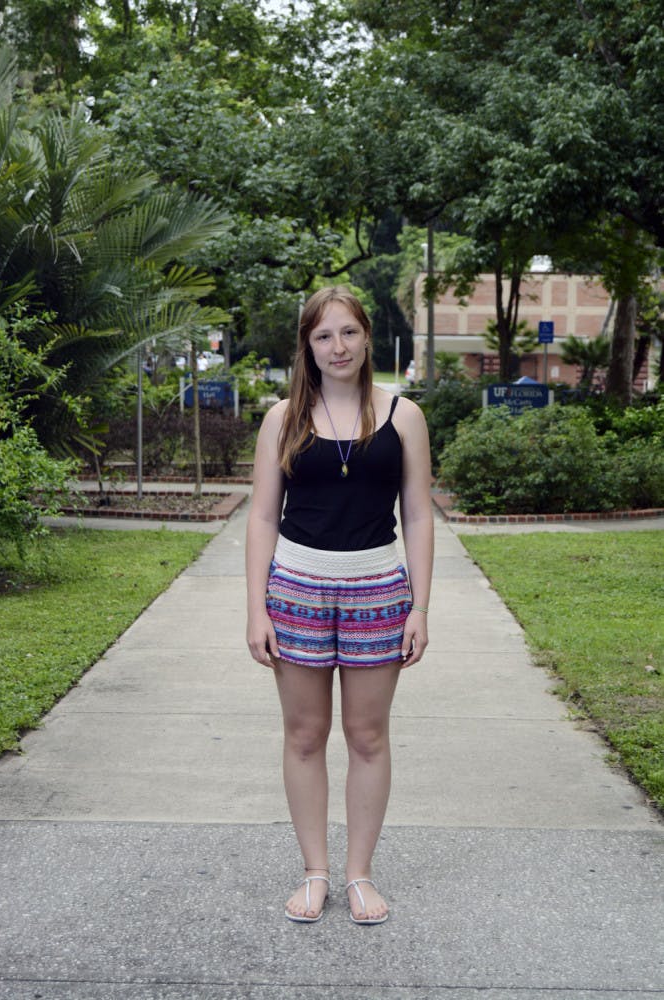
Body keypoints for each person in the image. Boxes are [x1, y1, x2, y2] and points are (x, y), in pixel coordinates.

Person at [245, 286, 433, 925]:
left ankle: (359, 875)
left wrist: (420, 608)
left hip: (378, 591)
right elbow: (263, 516)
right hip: (296, 588)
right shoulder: (283, 418)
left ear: (367, 337)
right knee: (303, 735)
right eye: (323, 336)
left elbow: (419, 517)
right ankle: (315, 874)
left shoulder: (403, 416)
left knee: (368, 735)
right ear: (308, 345)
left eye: (348, 332)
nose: (337, 347)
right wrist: (256, 608)